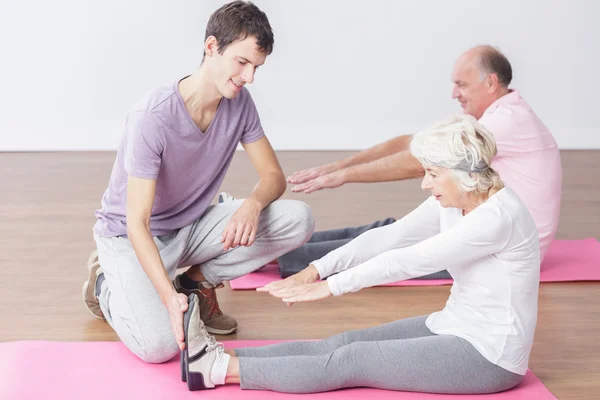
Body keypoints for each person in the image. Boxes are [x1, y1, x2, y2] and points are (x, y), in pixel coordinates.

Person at [180, 114, 539, 394]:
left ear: (463, 174)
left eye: (432, 174)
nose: (424, 184)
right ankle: (219, 357)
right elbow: (391, 237)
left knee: (352, 360)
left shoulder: (497, 218)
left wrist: (332, 288)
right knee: (345, 342)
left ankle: (216, 371)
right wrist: (317, 270)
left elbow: (408, 260)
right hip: (452, 324)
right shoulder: (456, 197)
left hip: (488, 356)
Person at [81, 0, 314, 364]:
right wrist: (165, 298)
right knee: (159, 347)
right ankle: (105, 285)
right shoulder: (152, 117)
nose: (249, 77)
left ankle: (193, 282)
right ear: (211, 47)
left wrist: (252, 206)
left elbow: (273, 177)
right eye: (242, 62)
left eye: (256, 67)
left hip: (190, 226)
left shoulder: (240, 103)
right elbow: (137, 223)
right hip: (131, 238)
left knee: (298, 218)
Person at [275, 45, 561, 278]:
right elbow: (412, 142)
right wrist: (339, 166)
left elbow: (417, 160)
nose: (453, 93)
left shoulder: (504, 123)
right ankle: (281, 246)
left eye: (461, 84)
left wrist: (343, 177)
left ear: (490, 83)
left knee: (393, 248)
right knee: (389, 229)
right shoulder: (500, 116)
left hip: (503, 250)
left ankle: (284, 258)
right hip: (486, 228)